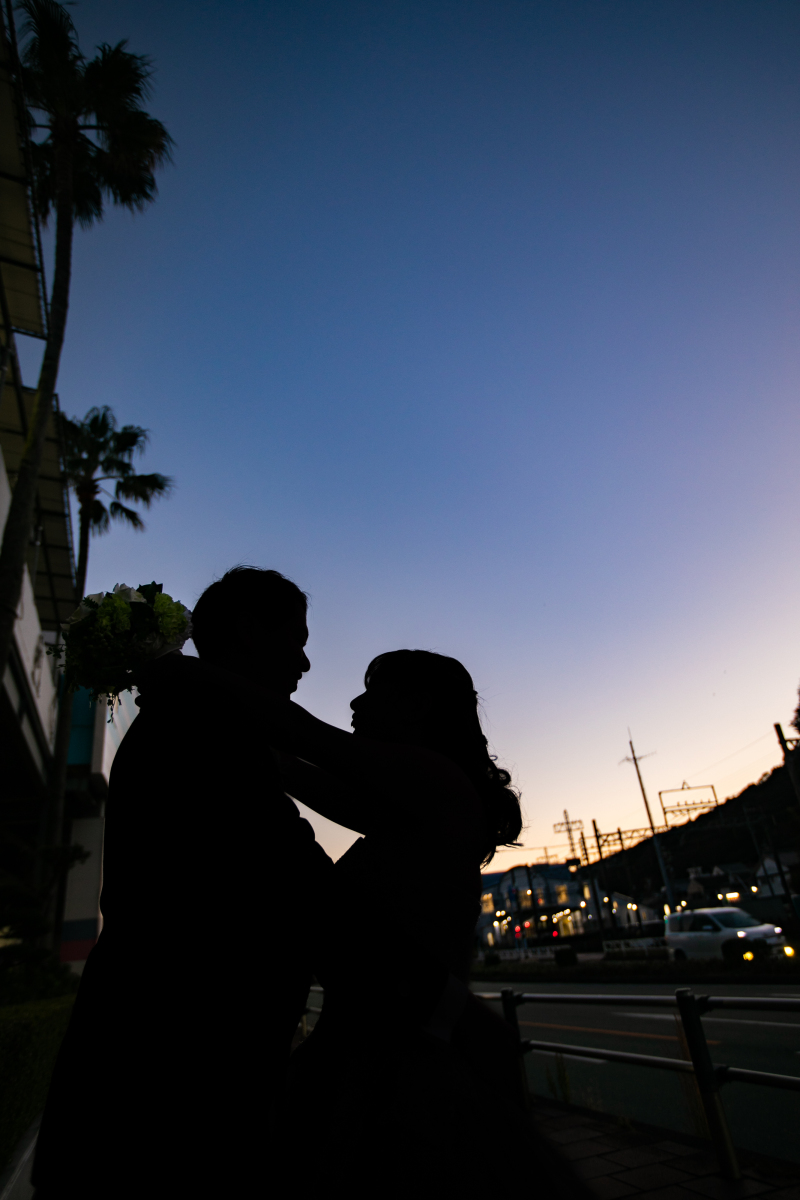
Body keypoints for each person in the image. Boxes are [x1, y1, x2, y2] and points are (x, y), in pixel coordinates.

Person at [33, 568, 333, 1199]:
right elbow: (297, 881)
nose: (305, 662)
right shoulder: (206, 726)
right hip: (173, 1096)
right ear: (249, 631)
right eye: (297, 639)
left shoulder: (190, 719)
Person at [261, 649, 593, 1196]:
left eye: (374, 692)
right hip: (386, 1055)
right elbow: (290, 766)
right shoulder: (408, 804)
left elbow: (301, 739)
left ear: (416, 705)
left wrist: (167, 670)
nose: (354, 702)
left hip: (393, 1072)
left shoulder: (431, 779)